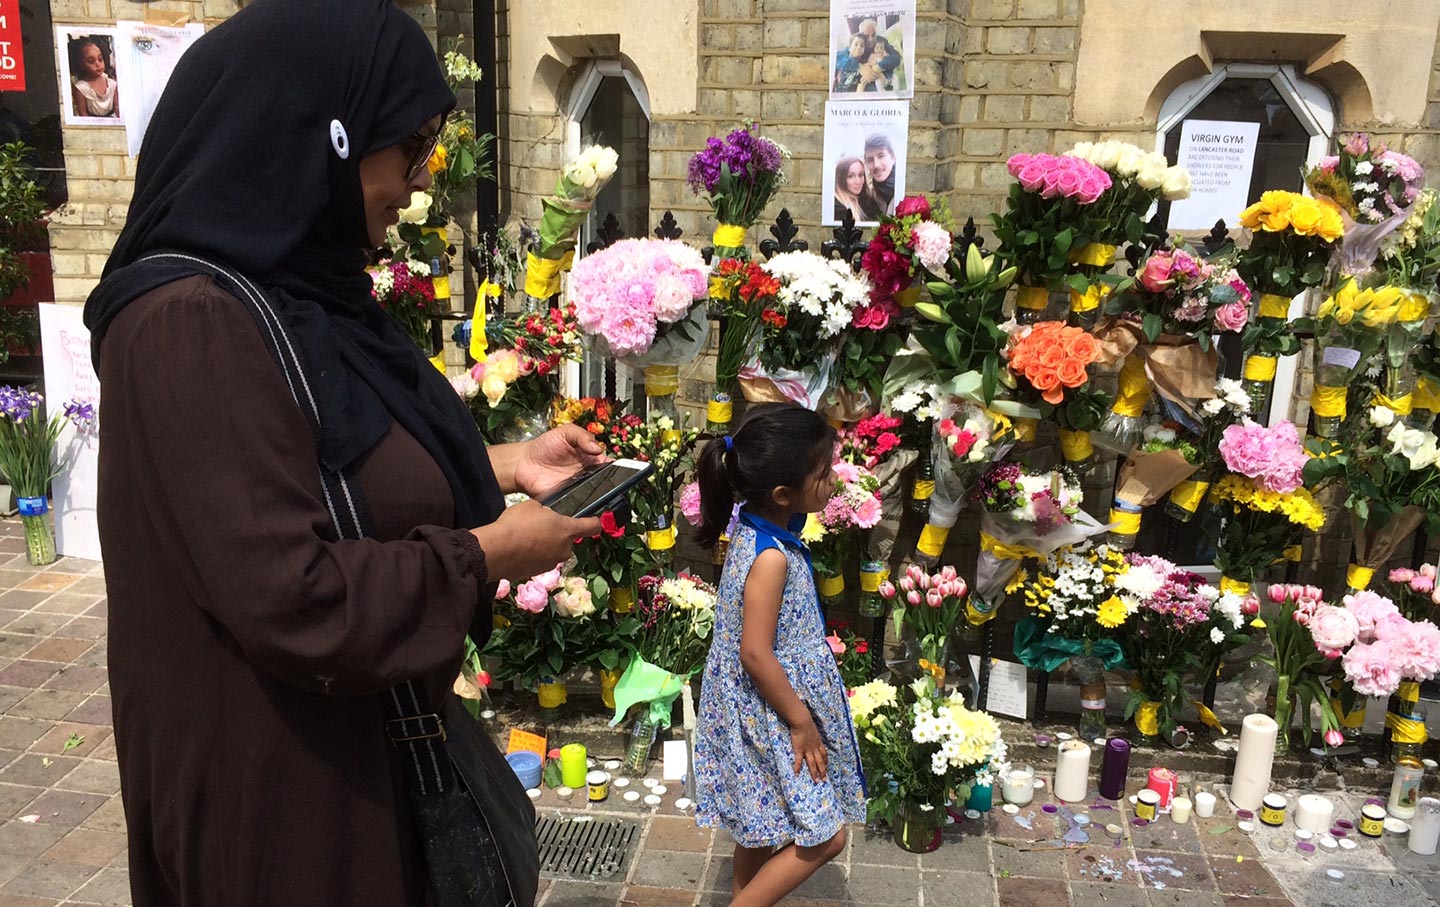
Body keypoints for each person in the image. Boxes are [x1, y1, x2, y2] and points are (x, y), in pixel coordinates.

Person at [83, 1, 602, 904]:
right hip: (284, 804)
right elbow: (293, 595)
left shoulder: (293, 294)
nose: (416, 178)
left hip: (345, 755)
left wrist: (508, 461)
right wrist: (485, 553)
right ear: (319, 135)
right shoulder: (188, 324)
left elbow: (320, 465)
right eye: (404, 147)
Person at [692, 404, 867, 907]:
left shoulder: (756, 527)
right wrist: (800, 722)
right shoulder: (770, 557)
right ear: (783, 493)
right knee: (825, 835)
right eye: (823, 473)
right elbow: (754, 652)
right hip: (770, 709)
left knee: (759, 827)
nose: (833, 481)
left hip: (755, 705)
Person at [69, 36, 118, 118]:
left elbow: (117, 108)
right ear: (82, 65)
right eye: (91, 61)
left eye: (100, 59)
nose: (98, 64)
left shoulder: (112, 84)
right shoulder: (81, 88)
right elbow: (83, 113)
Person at [863, 133, 898, 218]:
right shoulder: (868, 199)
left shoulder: (905, 190)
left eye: (881, 156)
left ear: (893, 157)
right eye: (870, 160)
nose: (876, 165)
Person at [832, 155, 874, 223]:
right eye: (850, 176)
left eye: (860, 175)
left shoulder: (867, 201)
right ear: (841, 179)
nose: (858, 181)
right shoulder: (838, 209)